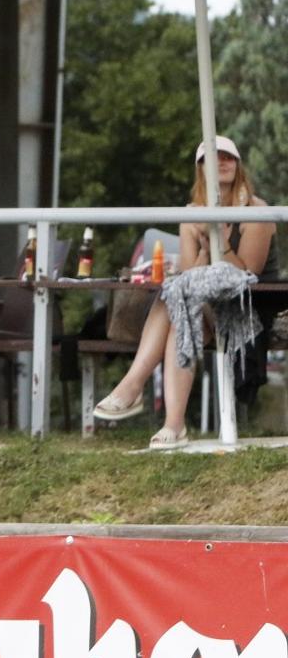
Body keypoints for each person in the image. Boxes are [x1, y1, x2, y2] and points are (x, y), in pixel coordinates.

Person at [94, 136, 277, 449]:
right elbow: (193, 274)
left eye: (229, 157)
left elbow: (249, 275)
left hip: (249, 309)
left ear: (238, 165)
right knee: (178, 302)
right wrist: (205, 248)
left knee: (179, 301)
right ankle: (171, 422)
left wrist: (219, 241)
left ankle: (137, 388)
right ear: (200, 168)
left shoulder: (256, 211)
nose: (222, 163)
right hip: (206, 306)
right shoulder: (192, 213)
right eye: (213, 158)